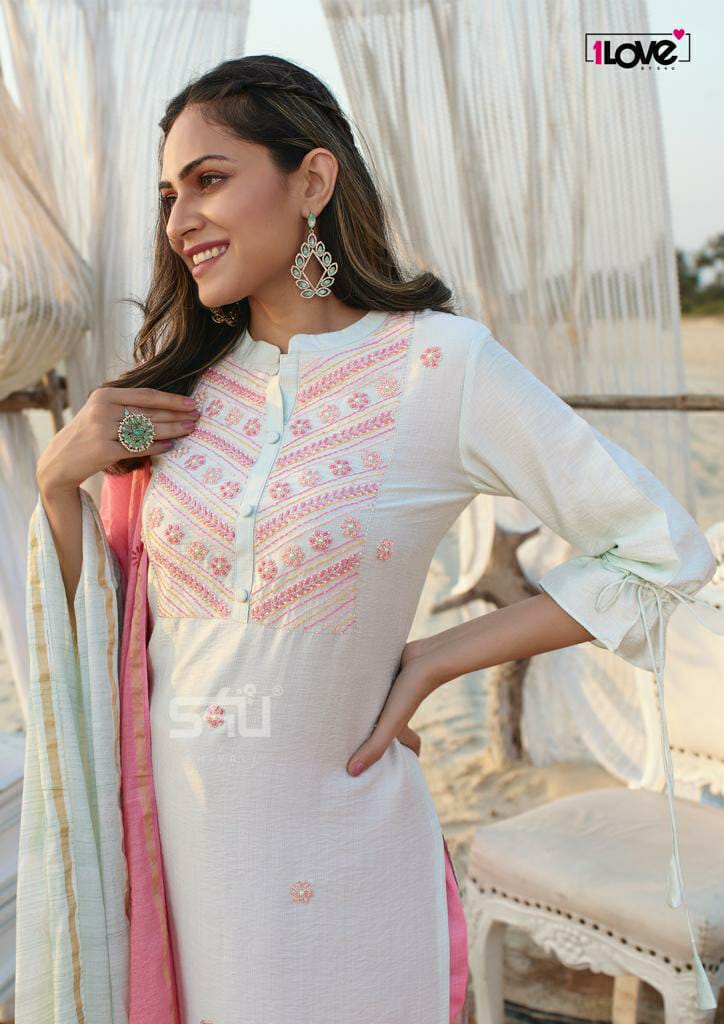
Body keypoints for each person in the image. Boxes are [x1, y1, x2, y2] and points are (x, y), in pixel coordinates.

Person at [17, 54, 721, 1024]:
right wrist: (59, 481)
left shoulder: (438, 367)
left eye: (209, 179)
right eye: (169, 195)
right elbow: (99, 631)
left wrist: (434, 658)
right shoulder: (172, 397)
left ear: (311, 179)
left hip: (340, 871)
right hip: (180, 873)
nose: (179, 221)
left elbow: (659, 548)